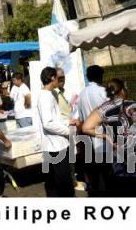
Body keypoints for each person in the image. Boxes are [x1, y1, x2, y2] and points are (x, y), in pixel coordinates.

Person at [82, 78, 136, 197]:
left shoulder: (102, 109)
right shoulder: (131, 105)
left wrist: (106, 136)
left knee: (122, 188)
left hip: (117, 152)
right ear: (122, 90)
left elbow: (86, 127)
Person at [37, 66, 78, 197]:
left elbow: (55, 118)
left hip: (58, 143)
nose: (59, 81)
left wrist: (68, 122)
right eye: (57, 78)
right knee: (63, 180)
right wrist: (67, 131)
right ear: (52, 78)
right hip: (55, 145)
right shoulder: (45, 97)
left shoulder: (49, 94)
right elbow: (48, 123)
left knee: (61, 179)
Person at [77, 65, 107, 196]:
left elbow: (82, 117)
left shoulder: (82, 93)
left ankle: (96, 191)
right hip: (103, 134)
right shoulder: (103, 91)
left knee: (93, 167)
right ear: (100, 76)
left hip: (88, 135)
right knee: (106, 168)